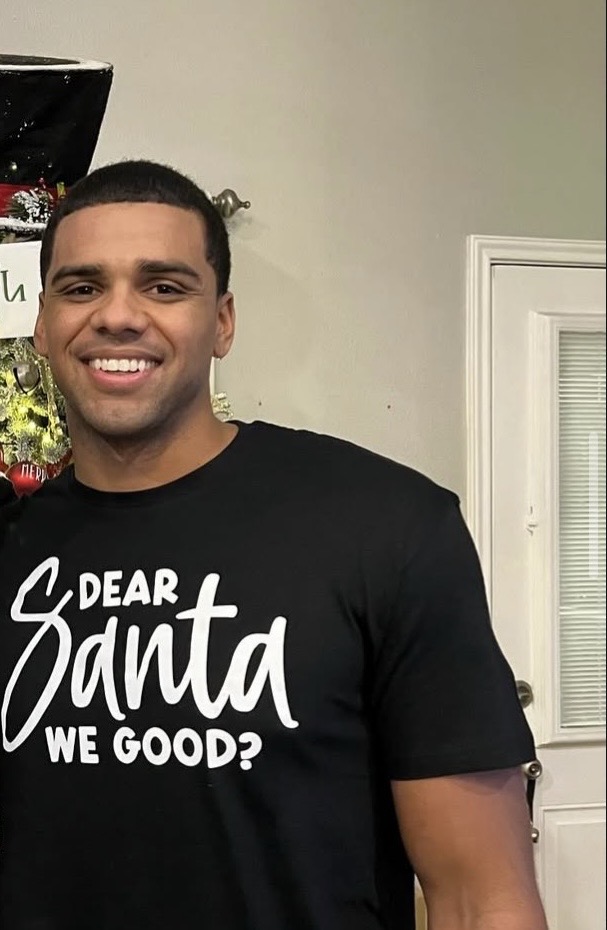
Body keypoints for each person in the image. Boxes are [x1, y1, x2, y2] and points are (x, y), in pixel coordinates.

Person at [0, 160, 547, 930]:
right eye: (82, 287)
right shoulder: (14, 545)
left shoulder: (384, 527)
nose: (118, 315)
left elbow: (480, 897)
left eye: (164, 286)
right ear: (42, 324)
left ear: (222, 322)